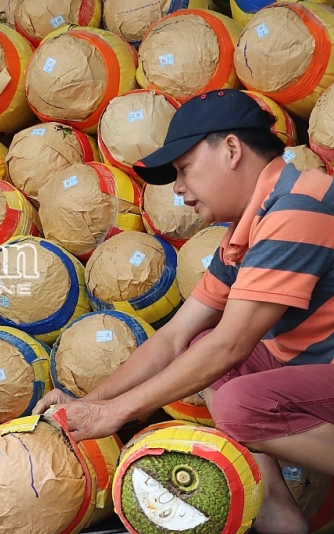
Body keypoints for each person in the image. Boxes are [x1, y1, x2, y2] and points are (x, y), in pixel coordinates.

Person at [33, 89, 334, 534]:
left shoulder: (300, 203)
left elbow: (230, 344)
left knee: (238, 404)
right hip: (312, 365)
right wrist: (91, 403)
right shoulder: (245, 230)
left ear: (231, 149)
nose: (177, 189)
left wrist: (118, 413)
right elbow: (174, 337)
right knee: (198, 348)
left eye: (183, 169)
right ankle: (275, 505)